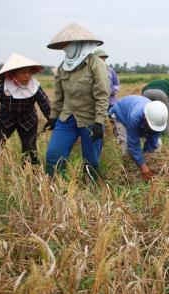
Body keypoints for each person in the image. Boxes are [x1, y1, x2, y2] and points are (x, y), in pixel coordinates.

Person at [44, 23, 110, 179]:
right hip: (67, 118)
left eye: (68, 45)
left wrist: (99, 122)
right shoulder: (63, 67)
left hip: (90, 119)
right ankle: (54, 190)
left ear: (79, 45)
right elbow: (59, 95)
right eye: (64, 46)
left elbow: (102, 95)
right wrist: (53, 117)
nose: (66, 49)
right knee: (53, 154)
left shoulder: (95, 64)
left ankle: (92, 191)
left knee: (91, 160)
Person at [0, 53, 51, 176]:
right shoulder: (1, 88)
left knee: (30, 149)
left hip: (28, 120)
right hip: (5, 119)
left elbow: (45, 104)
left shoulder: (35, 87)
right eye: (23, 72)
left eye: (29, 72)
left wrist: (52, 119)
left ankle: (31, 175)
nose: (27, 76)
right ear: (13, 74)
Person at [108, 95, 168, 181]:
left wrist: (147, 157)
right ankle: (129, 176)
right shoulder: (135, 116)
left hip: (137, 114)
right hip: (121, 115)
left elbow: (153, 139)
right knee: (126, 148)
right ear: (145, 118)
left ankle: (144, 171)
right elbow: (133, 143)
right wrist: (143, 166)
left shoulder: (158, 119)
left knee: (157, 144)